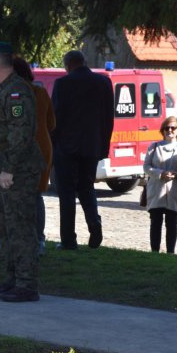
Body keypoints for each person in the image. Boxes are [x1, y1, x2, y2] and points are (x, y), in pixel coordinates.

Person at [0, 42, 44, 303]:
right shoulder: (2, 90)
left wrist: (8, 169)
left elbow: (21, 134)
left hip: (16, 169)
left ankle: (27, 284)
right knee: (6, 227)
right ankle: (13, 279)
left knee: (21, 227)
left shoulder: (17, 92)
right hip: (0, 166)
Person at [51, 50, 114, 250]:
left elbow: (56, 119)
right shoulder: (103, 83)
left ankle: (69, 240)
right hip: (92, 146)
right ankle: (95, 226)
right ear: (84, 61)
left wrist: (52, 147)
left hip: (66, 147)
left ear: (67, 65)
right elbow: (108, 119)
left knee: (66, 193)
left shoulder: (63, 84)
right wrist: (103, 147)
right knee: (87, 188)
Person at [12, 57, 56, 255]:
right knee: (37, 195)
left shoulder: (14, 94)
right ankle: (39, 239)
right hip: (43, 145)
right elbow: (52, 123)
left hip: (27, 147)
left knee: (28, 195)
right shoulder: (41, 92)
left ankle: (30, 238)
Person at [143, 116, 177, 253]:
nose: (170, 130)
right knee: (155, 223)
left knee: (172, 223)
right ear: (163, 130)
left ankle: (170, 253)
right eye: (167, 128)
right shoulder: (154, 147)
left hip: (175, 191)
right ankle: (155, 252)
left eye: (173, 128)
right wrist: (160, 173)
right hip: (156, 190)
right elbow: (146, 167)